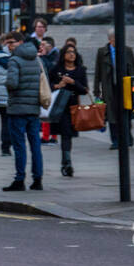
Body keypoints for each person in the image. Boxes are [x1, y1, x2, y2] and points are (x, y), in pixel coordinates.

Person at [3, 33, 45, 191]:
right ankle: (38, 179)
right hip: (33, 108)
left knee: (19, 146)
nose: (9, 46)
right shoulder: (36, 59)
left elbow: (12, 83)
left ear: (20, 42)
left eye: (11, 42)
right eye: (7, 43)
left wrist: (6, 82)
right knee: (35, 145)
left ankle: (19, 179)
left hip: (17, 109)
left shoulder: (14, 60)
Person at [48, 43, 88, 177]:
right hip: (60, 106)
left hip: (73, 106)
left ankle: (65, 162)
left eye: (74, 52)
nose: (72, 54)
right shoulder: (55, 69)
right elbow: (48, 86)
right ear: (63, 55)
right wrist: (59, 85)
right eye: (69, 52)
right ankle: (67, 162)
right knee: (65, 134)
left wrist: (73, 82)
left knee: (68, 135)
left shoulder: (80, 70)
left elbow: (84, 90)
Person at [95, 29, 134, 150]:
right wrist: (96, 91)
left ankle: (127, 136)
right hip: (109, 88)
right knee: (111, 115)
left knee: (127, 112)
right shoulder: (102, 52)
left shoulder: (127, 50)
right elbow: (98, 72)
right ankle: (115, 140)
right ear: (111, 39)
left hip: (125, 87)